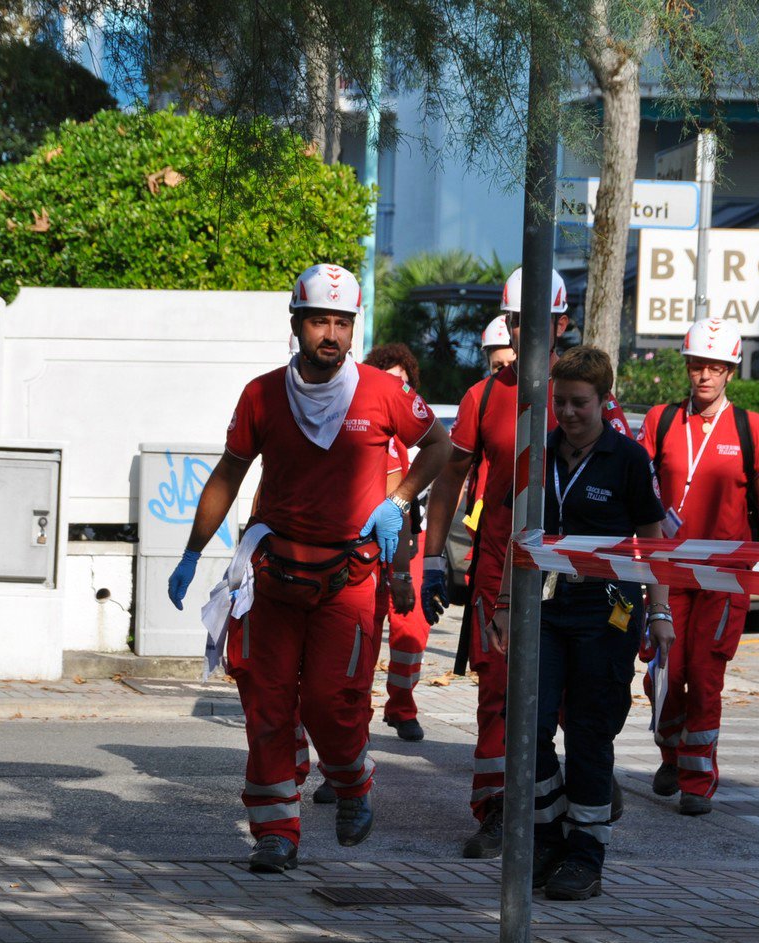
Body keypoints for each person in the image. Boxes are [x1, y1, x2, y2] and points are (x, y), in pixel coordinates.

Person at [166, 263, 451, 874]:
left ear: (354, 328)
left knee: (331, 703)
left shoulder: (383, 391)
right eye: (319, 320)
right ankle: (275, 832)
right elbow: (229, 472)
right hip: (272, 579)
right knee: (268, 707)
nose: (331, 333)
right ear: (296, 324)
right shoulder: (263, 394)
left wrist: (397, 503)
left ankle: (353, 785)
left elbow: (441, 444)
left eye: (342, 322)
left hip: (348, 581)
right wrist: (192, 550)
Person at [420, 269, 630, 860]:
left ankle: (575, 790)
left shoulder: (587, 396)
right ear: (507, 324)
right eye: (517, 322)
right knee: (500, 695)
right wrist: (434, 558)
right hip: (499, 568)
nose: (528, 332)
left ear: (563, 323)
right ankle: (496, 810)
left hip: (577, 572)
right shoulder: (484, 396)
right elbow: (449, 476)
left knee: (578, 699)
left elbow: (625, 486)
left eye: (542, 321)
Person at [487, 347, 672, 899]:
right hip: (543, 608)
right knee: (531, 723)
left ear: (604, 400)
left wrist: (659, 610)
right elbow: (517, 537)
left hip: (607, 611)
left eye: (580, 403)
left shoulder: (629, 459)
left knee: (590, 731)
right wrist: (501, 603)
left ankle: (586, 852)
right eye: (560, 402)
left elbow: (654, 542)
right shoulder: (536, 455)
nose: (568, 413)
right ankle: (546, 836)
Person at [637, 317, 759, 815]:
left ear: (731, 371)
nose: (703, 375)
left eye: (714, 367)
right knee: (663, 673)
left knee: (704, 676)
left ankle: (697, 779)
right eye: (696, 365)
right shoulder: (661, 421)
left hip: (727, 578)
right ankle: (672, 750)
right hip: (667, 574)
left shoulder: (750, 427)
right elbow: (641, 497)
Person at [362, 343, 431, 744]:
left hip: (408, 539)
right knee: (364, 634)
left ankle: (402, 706)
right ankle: (357, 717)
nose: (396, 389)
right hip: (368, 547)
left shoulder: (417, 426)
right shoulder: (367, 423)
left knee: (412, 629)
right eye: (389, 381)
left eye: (403, 383)